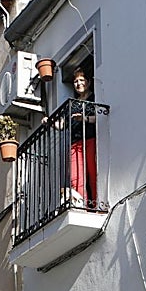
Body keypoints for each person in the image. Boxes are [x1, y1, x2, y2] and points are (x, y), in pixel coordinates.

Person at [67, 68, 97, 206]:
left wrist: (84, 119)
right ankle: (81, 205)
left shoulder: (94, 98)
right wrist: (49, 122)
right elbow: (62, 124)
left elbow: (98, 117)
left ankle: (95, 204)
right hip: (75, 143)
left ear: (88, 82)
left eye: (81, 80)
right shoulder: (73, 104)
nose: (78, 83)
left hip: (91, 139)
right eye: (75, 81)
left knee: (93, 173)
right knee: (76, 177)